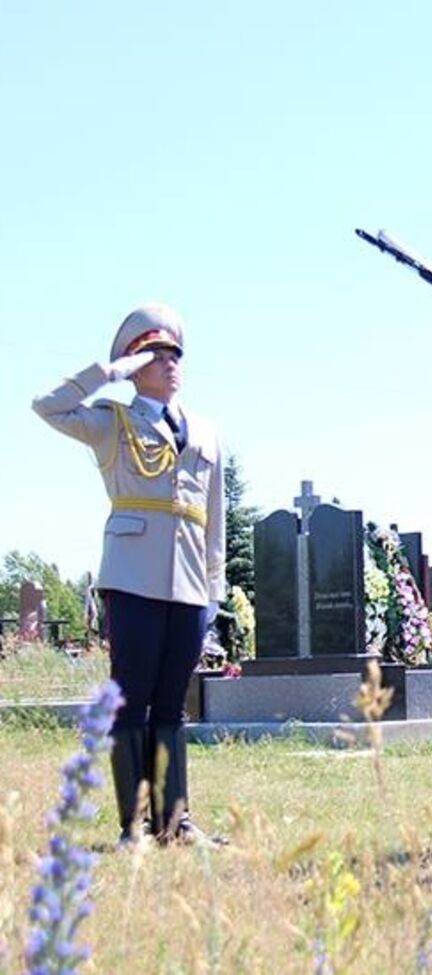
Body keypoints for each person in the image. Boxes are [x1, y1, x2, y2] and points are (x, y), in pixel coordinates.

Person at [32, 304, 225, 845]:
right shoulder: (111, 421)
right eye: (156, 355)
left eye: (174, 355)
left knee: (172, 706)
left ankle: (175, 822)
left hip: (188, 582)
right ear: (134, 363)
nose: (170, 364)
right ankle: (133, 825)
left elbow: (213, 520)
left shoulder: (206, 432)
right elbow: (46, 406)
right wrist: (108, 373)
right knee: (131, 701)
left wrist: (213, 589)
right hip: (133, 577)